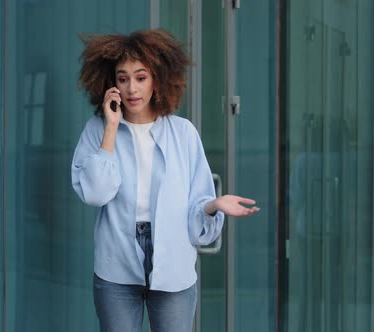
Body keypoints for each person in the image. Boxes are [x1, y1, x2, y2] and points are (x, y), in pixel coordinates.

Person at [71, 29, 260, 332]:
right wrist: (110, 128)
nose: (132, 88)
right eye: (123, 78)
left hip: (173, 263)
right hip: (116, 262)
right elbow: (95, 194)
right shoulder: (97, 129)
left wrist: (214, 205)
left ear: (156, 79)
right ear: (111, 84)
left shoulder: (183, 132)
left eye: (141, 77)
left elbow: (197, 209)